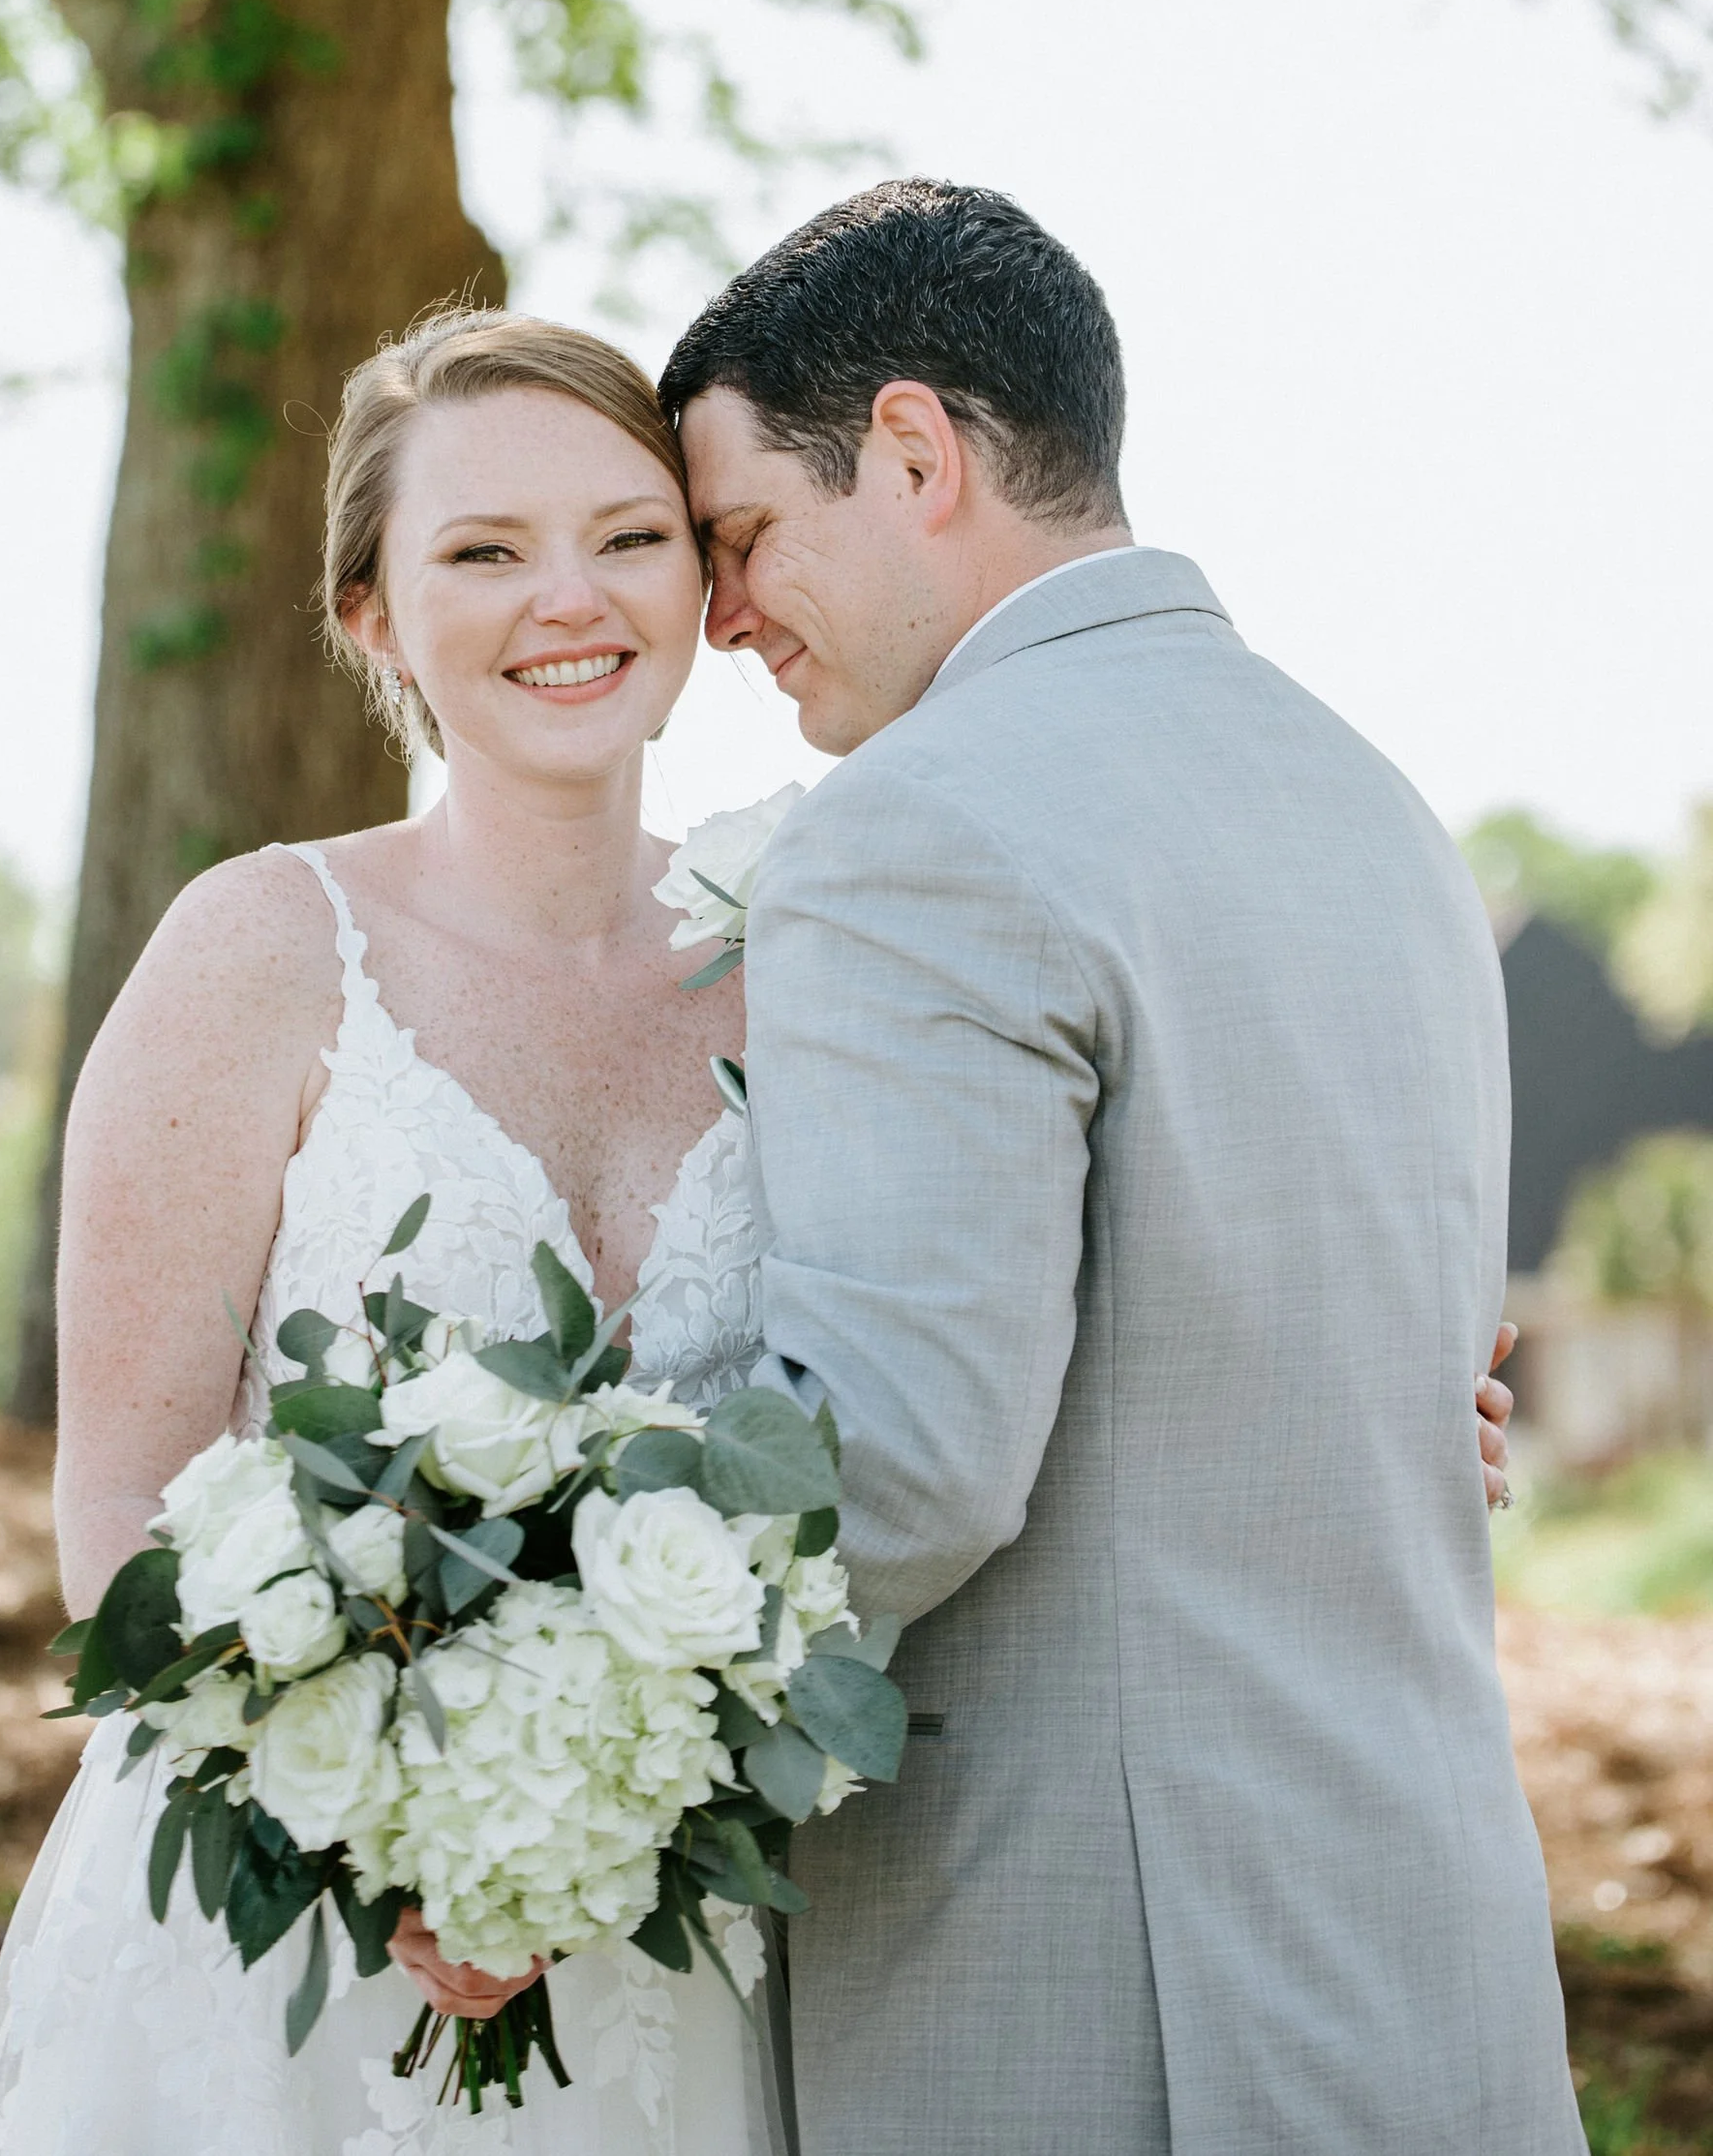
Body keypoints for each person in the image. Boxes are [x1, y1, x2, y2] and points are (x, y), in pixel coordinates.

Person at [0, 295, 1514, 2156]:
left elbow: (968, 1344)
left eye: (640, 538)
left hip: (697, 1955)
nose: (574, 598)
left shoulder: (807, 948)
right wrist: (390, 1838)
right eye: (484, 551)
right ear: (369, 610)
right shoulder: (259, 950)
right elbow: (120, 1505)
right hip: (314, 1943)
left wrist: (1343, 1383)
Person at [658, 177, 1579, 2156]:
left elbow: (892, 1465)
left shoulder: (919, 827)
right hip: (1426, 1952)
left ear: (911, 450)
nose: (718, 613)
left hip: (1097, 2004)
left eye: (743, 535)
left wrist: (522, 1710)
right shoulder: (1375, 806)